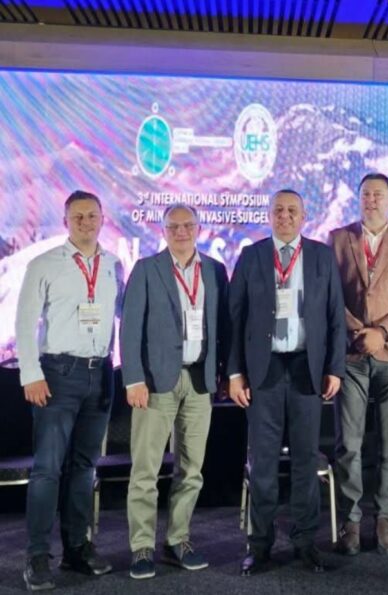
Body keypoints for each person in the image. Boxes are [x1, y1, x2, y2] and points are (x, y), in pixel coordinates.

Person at [227, 189, 346, 576]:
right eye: (278, 209)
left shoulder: (321, 256)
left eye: (292, 210)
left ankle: (305, 542)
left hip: (306, 370)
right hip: (263, 371)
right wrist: (234, 373)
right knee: (262, 462)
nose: (285, 215)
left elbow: (335, 317)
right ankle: (259, 545)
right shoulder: (251, 256)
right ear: (269, 215)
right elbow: (235, 318)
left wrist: (335, 368)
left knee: (305, 461)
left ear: (304, 216)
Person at [16, 190, 123, 591]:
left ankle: (77, 548)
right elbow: (24, 321)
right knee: (47, 468)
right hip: (57, 374)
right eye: (77, 217)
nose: (85, 222)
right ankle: (37, 556)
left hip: (101, 373)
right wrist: (31, 373)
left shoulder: (113, 264)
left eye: (92, 216)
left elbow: (121, 316)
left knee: (84, 466)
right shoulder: (44, 264)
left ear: (102, 219)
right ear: (65, 222)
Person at [120, 204, 228, 580]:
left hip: (200, 382)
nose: (181, 231)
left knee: (191, 470)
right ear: (163, 230)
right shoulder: (146, 269)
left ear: (198, 228)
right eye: (173, 226)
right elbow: (130, 329)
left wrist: (225, 372)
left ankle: (177, 540)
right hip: (154, 383)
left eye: (187, 225)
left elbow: (224, 326)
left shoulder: (215, 270)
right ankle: (141, 547)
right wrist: (133, 379)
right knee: (145, 470)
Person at [330, 173, 388, 556]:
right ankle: (351, 521)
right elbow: (330, 293)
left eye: (378, 194)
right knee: (349, 443)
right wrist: (359, 331)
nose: (371, 200)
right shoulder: (339, 238)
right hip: (351, 352)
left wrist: (382, 332)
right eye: (365, 194)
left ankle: (385, 519)